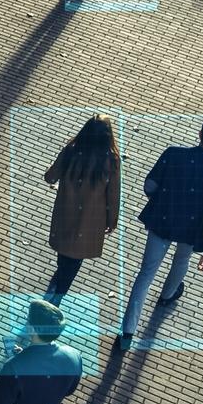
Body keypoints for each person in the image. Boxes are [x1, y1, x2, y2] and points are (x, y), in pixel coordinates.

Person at [117, 117, 203, 351]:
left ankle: (127, 332)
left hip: (162, 220)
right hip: (192, 229)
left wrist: (163, 200)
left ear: (200, 133)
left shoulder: (173, 154)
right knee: (182, 259)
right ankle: (167, 295)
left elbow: (150, 186)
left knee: (146, 274)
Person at [42, 115, 121, 304]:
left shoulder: (72, 150)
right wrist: (112, 220)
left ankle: (55, 290)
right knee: (74, 262)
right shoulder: (111, 160)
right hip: (90, 221)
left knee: (63, 258)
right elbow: (113, 194)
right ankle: (56, 297)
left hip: (65, 214)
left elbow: (51, 177)